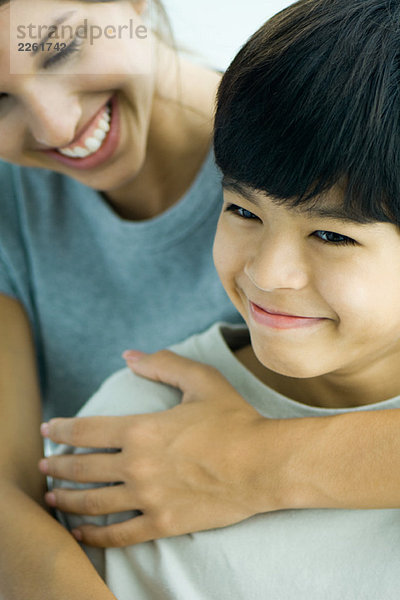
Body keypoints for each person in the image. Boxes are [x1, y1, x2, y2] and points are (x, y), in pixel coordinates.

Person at [0, 0, 400, 598]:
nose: (55, 126)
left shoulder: (333, 105)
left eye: (60, 48)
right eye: (240, 210)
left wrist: (250, 463)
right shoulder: (13, 210)